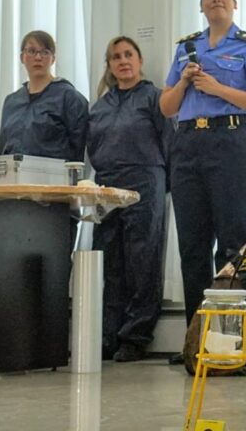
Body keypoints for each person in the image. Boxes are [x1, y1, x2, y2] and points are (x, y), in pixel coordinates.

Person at [160, 0, 246, 332]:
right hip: (187, 145)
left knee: (233, 244)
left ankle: (229, 339)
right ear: (200, 5)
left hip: (231, 142)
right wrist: (184, 81)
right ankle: (196, 341)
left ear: (234, 3)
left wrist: (218, 87)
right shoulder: (186, 47)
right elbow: (167, 107)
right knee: (192, 247)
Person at [87, 36, 172, 362]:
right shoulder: (101, 105)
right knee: (109, 262)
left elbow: (169, 143)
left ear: (138, 61)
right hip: (106, 186)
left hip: (145, 182)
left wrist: (161, 182)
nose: (123, 61)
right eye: (115, 57)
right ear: (109, 66)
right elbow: (93, 148)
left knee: (142, 261)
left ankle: (135, 336)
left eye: (128, 55)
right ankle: (108, 335)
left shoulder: (154, 98)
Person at [0, 30, 88, 162]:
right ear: (22, 57)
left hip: (53, 178)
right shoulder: (11, 102)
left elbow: (79, 151)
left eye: (45, 52)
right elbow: (3, 148)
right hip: (14, 178)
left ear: (53, 59)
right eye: (31, 51)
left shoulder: (69, 98)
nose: (38, 57)